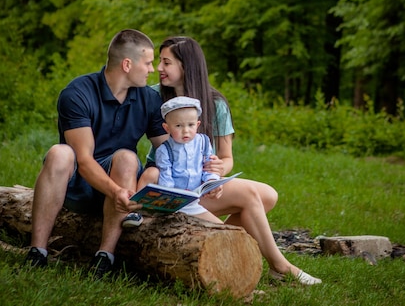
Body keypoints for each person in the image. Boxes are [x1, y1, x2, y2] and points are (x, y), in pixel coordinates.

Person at [142, 36, 322, 285]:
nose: (159, 68)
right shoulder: (151, 97)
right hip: (170, 188)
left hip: (202, 183)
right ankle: (280, 265)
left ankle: (216, 236)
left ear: (187, 66)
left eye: (166, 62)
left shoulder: (215, 104)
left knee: (268, 195)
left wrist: (219, 168)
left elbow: (227, 159)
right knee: (250, 195)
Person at [23, 29, 168, 279]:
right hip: (78, 185)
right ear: (126, 64)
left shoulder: (149, 99)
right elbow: (84, 160)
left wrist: (204, 167)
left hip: (122, 184)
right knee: (60, 153)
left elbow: (169, 150)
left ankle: (104, 258)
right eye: (147, 63)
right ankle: (37, 252)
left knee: (125, 157)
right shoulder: (78, 93)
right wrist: (115, 191)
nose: (152, 69)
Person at [146, 96, 223, 223]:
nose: (186, 131)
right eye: (178, 126)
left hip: (195, 200)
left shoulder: (203, 142)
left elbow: (209, 167)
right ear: (167, 128)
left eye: (191, 125)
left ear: (198, 124)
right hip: (175, 203)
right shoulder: (165, 150)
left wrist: (211, 182)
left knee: (221, 227)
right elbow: (166, 178)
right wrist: (171, 199)